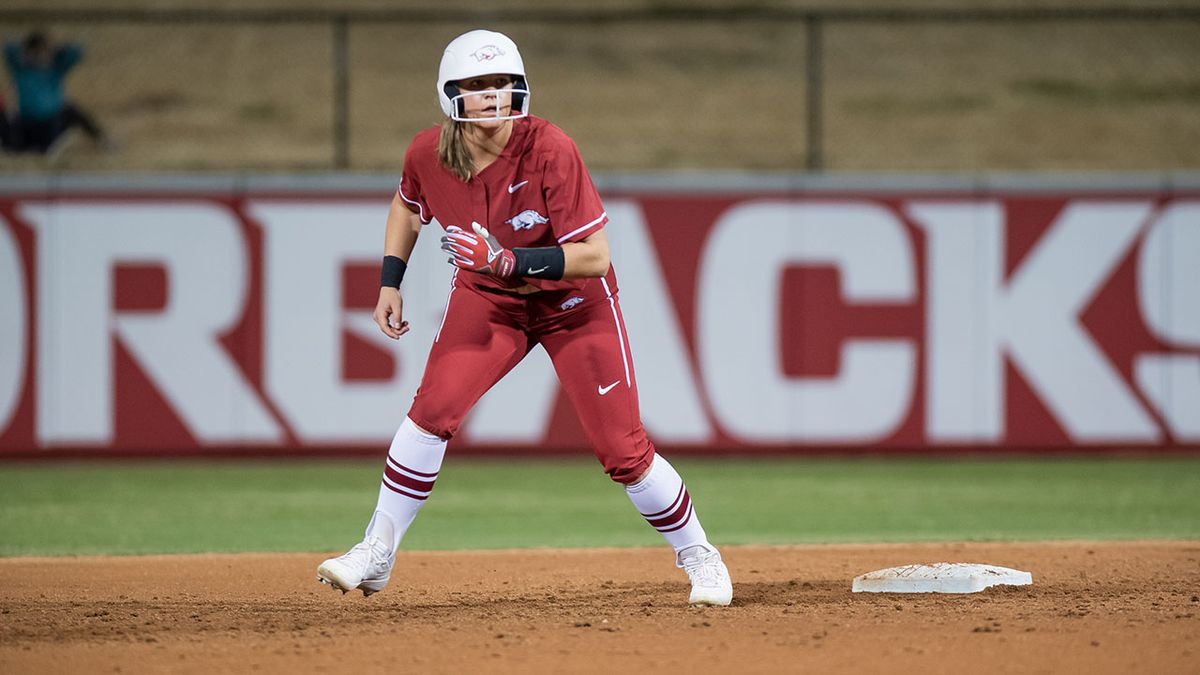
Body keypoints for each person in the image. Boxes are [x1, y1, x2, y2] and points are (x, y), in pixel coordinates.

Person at [316, 29, 733, 607]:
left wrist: (511, 258)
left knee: (623, 450)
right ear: (450, 93)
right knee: (431, 412)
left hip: (570, 301)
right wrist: (391, 280)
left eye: (503, 82)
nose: (494, 95)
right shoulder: (428, 153)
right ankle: (376, 550)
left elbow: (595, 257)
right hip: (491, 298)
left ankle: (699, 555)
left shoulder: (551, 148)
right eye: (479, 84)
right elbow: (408, 207)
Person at [3, 30, 110, 154]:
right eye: (35, 53)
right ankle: (39, 147)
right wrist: (25, 51)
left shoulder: (55, 69)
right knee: (8, 126)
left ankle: (104, 140)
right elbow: (8, 47)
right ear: (27, 53)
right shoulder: (20, 68)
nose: (39, 58)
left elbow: (77, 50)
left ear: (48, 53)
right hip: (26, 125)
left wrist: (57, 51)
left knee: (70, 111)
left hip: (49, 124)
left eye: (42, 53)